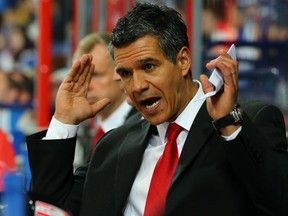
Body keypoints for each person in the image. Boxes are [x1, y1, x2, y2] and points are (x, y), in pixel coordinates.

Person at [27, 3, 288, 216]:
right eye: (126, 73)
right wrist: (64, 121)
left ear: (183, 60)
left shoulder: (247, 123)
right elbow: (53, 209)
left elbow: (277, 203)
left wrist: (228, 125)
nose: (137, 85)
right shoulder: (114, 146)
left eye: (149, 67)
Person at [72, 32, 138, 163]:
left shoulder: (140, 127)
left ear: (120, 74)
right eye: (81, 77)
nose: (86, 85)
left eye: (95, 75)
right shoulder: (90, 130)